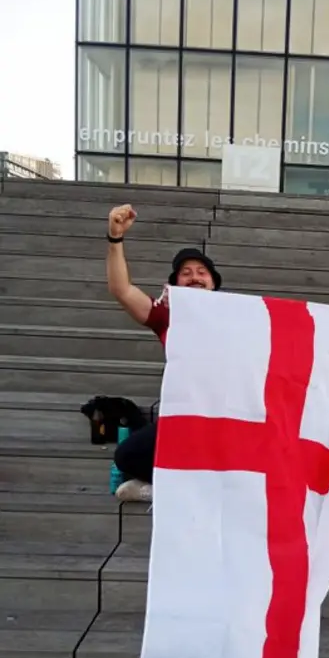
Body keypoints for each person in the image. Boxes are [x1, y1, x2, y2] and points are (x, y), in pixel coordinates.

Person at [105, 204, 222, 501]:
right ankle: (171, 490)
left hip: (228, 418)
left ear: (214, 283)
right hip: (183, 417)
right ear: (175, 284)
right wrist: (115, 238)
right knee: (128, 455)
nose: (194, 277)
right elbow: (121, 289)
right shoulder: (166, 316)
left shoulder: (239, 316)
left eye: (201, 272)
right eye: (185, 273)